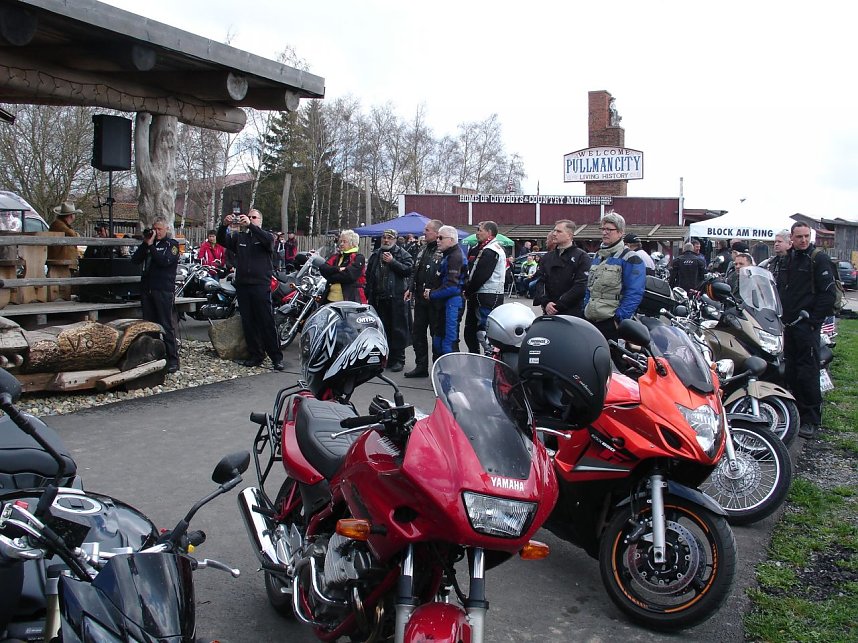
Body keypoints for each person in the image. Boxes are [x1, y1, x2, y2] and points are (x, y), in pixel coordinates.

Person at [775, 222, 836, 440]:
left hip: (806, 325)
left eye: (806, 236)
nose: (803, 240)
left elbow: (827, 293)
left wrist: (813, 321)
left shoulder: (818, 258)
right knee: (791, 370)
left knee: (808, 371)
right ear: (791, 237)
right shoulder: (787, 258)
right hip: (788, 324)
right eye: (799, 236)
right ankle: (797, 412)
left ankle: (811, 418)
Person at [216, 208, 285, 371]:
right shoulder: (241, 237)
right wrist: (223, 225)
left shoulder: (266, 236)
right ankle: (256, 355)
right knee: (249, 322)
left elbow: (268, 242)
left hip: (260, 285)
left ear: (259, 220)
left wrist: (252, 226)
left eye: (254, 217)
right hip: (243, 285)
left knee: (266, 321)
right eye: (249, 217)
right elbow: (221, 240)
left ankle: (276, 357)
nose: (250, 219)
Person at [583, 212, 646, 342]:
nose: (604, 232)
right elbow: (589, 288)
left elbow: (634, 292)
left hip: (611, 322)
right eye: (603, 229)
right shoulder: (597, 256)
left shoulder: (630, 258)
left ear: (620, 232)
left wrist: (619, 319)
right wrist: (585, 308)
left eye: (609, 229)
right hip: (591, 319)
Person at [130, 216, 180, 373]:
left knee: (166, 325)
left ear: (166, 229)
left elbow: (163, 261)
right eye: (155, 229)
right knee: (150, 326)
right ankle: (155, 356)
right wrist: (146, 244)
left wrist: (151, 247)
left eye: (160, 229)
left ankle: (173, 359)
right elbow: (135, 260)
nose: (157, 232)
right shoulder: (149, 243)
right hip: (147, 289)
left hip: (163, 289)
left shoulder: (172, 245)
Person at [365, 229, 414, 372]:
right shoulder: (376, 254)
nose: (386, 240)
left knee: (398, 330)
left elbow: (408, 270)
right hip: (378, 298)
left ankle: (399, 360)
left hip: (396, 298)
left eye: (389, 237)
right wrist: (368, 292)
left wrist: (393, 262)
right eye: (384, 237)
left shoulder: (402, 254)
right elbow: (369, 274)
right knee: (381, 330)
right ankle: (385, 358)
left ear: (395, 239)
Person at [404, 219, 443, 378]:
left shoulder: (443, 250)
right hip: (420, 298)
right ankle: (421, 366)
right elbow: (415, 270)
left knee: (436, 334)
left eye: (427, 230)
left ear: (436, 232)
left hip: (435, 300)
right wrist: (410, 288)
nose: (424, 233)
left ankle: (437, 368)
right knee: (418, 332)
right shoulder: (423, 248)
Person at [533, 219, 591, 317]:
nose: (554, 234)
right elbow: (540, 281)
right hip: (548, 312)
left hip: (572, 313)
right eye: (554, 231)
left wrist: (559, 305)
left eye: (559, 231)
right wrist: (546, 302)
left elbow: (580, 286)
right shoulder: (547, 257)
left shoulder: (581, 257)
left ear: (569, 235)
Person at [463, 221, 506, 353]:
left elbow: (481, 275)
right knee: (471, 330)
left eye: (480, 230)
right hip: (483, 294)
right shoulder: (483, 248)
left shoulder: (491, 250)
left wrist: (468, 290)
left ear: (489, 232)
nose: (477, 233)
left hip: (487, 295)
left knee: (484, 330)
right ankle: (477, 358)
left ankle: (492, 357)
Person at [428, 225, 467, 356]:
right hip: (444, 302)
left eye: (440, 237)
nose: (437, 240)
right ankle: (442, 372)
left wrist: (432, 294)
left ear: (451, 240)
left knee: (448, 342)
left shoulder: (455, 256)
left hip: (452, 303)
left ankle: (451, 374)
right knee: (438, 338)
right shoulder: (448, 255)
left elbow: (452, 287)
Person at [317, 229, 366, 304]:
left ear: (352, 244)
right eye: (341, 241)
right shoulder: (336, 256)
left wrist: (330, 277)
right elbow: (323, 268)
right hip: (329, 299)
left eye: (344, 242)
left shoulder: (358, 257)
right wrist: (337, 269)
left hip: (350, 300)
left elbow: (349, 276)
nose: (341, 244)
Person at [47, 201, 81, 268]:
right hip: (62, 262)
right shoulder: (59, 224)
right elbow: (73, 235)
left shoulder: (60, 224)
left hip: (64, 261)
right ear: (71, 216)